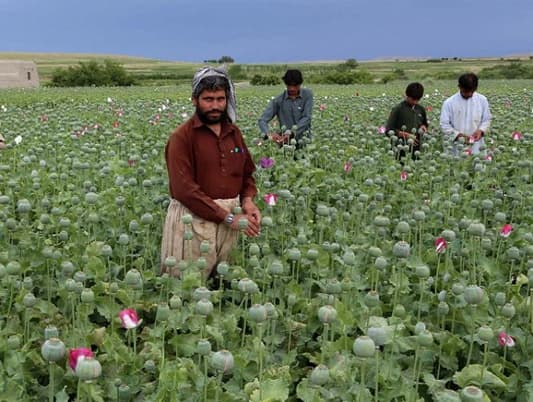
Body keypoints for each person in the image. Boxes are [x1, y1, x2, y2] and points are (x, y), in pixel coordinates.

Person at [160, 67, 261, 278]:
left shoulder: (234, 133)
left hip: (230, 220)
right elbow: (184, 190)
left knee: (222, 284)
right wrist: (226, 217)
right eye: (208, 99)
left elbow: (246, 173)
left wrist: (248, 201)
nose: (215, 106)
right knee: (188, 285)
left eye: (220, 99)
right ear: (194, 100)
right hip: (192, 221)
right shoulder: (182, 137)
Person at [258, 69, 313, 148]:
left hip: (304, 142)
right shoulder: (278, 100)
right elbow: (262, 120)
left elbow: (307, 117)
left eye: (295, 86)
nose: (292, 89)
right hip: (286, 145)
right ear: (285, 84)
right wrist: (269, 134)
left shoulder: (307, 95)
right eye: (289, 85)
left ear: (300, 84)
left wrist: (292, 133)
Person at [440, 73, 491, 155]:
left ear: (475, 88)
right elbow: (444, 124)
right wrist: (458, 136)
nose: (468, 94)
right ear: (459, 87)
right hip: (455, 147)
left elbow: (486, 120)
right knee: (457, 166)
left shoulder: (482, 100)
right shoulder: (449, 103)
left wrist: (481, 131)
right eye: (465, 91)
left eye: (471, 91)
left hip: (476, 146)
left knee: (475, 165)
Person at [385, 82, 428, 161]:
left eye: (417, 100)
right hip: (399, 150)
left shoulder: (420, 109)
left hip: (416, 150)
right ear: (407, 95)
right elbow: (388, 130)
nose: (415, 102)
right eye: (413, 99)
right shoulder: (398, 109)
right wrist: (405, 135)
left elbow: (424, 124)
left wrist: (423, 127)